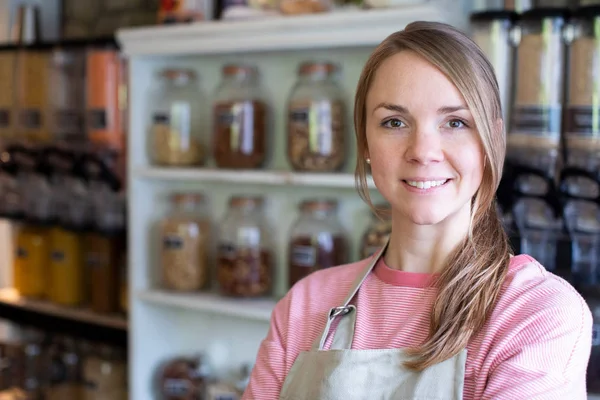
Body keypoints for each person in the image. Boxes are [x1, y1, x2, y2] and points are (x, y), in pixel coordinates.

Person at [242, 21, 593, 400]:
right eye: (394, 122)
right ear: (365, 143)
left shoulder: (537, 315)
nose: (423, 151)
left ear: (492, 140)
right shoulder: (305, 305)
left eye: (455, 122)